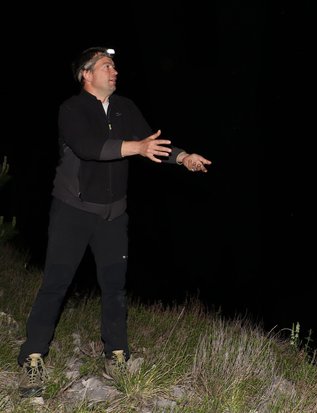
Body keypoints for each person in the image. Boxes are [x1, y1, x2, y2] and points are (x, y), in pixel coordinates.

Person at [17, 46, 212, 397]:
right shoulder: (71, 109)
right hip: (73, 211)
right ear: (86, 74)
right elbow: (90, 147)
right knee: (56, 284)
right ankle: (32, 357)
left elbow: (150, 142)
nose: (114, 70)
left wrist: (183, 157)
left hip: (113, 215)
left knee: (115, 287)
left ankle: (117, 354)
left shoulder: (125, 108)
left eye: (115, 65)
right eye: (107, 65)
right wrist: (134, 148)